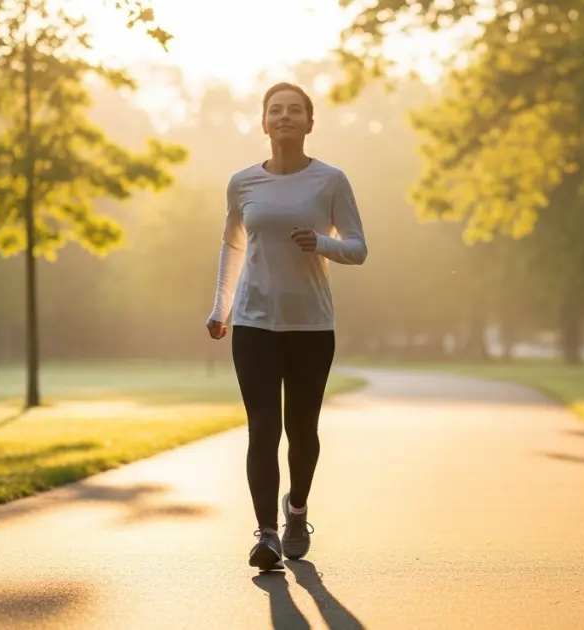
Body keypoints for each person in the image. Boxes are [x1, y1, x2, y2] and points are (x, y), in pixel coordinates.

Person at [205, 81, 367, 572]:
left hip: (311, 326)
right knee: (262, 429)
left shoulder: (331, 180)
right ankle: (267, 535)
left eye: (295, 110)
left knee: (302, 429)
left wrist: (321, 242)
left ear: (309, 123)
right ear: (263, 122)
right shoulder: (243, 183)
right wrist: (221, 308)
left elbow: (358, 248)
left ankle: (296, 512)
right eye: (275, 110)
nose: (285, 116)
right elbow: (233, 246)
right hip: (255, 323)